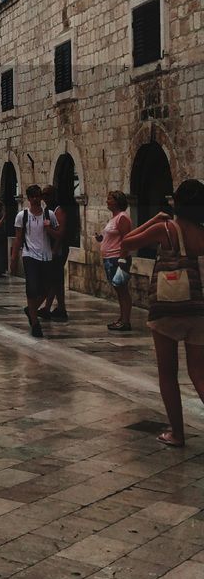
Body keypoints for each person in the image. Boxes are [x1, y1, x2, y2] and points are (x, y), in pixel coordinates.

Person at [119, 180, 204, 448]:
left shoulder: (165, 229)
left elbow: (126, 243)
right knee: (199, 373)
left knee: (168, 373)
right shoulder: (202, 233)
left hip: (167, 309)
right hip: (198, 308)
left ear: (175, 203)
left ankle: (177, 433)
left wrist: (153, 219)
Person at [11, 185, 59, 338]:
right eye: (33, 197)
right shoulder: (22, 216)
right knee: (32, 288)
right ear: (29, 198)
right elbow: (18, 238)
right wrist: (13, 258)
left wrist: (53, 246)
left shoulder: (49, 214)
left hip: (46, 255)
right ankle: (35, 322)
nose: (36, 199)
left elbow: (58, 235)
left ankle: (31, 310)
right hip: (29, 254)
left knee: (47, 288)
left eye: (38, 196)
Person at [97, 190, 133, 331]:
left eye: (110, 198)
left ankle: (125, 321)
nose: (107, 201)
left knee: (123, 290)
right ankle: (122, 318)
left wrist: (122, 259)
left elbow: (126, 239)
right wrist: (102, 239)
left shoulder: (122, 218)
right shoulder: (114, 218)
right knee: (119, 290)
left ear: (117, 201)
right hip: (110, 258)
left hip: (117, 258)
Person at [39, 185, 69, 320]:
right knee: (53, 280)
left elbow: (60, 234)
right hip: (50, 250)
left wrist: (55, 250)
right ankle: (48, 308)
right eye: (43, 195)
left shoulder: (58, 210)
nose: (44, 198)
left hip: (57, 250)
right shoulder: (47, 210)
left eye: (47, 195)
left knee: (56, 280)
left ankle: (61, 309)